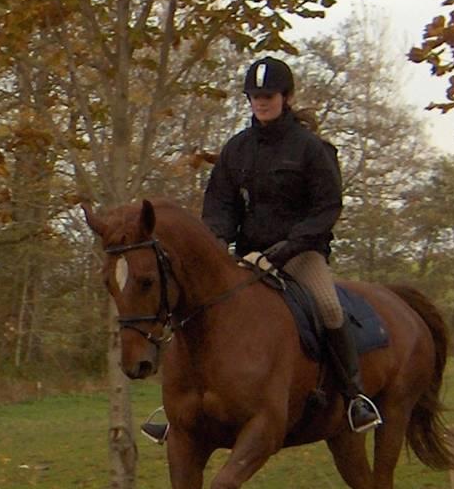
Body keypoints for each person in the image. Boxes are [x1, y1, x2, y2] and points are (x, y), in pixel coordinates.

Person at [141, 56, 382, 444]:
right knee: (192, 305)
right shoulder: (237, 149)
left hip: (301, 255)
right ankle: (175, 409)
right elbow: (219, 204)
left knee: (329, 306)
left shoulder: (310, 149)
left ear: (285, 97)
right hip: (248, 256)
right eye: (254, 96)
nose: (260, 103)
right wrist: (217, 242)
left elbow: (326, 208)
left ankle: (355, 397)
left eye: (267, 96)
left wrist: (288, 248)